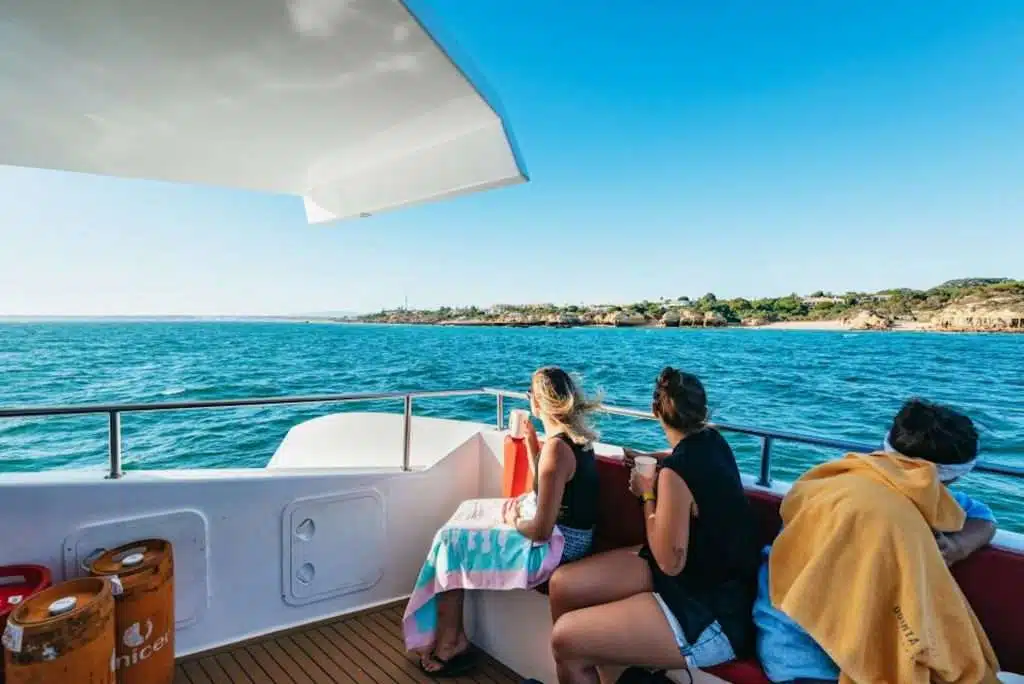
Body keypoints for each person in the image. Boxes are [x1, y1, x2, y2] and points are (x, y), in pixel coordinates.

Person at [752, 398, 999, 684]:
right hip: (807, 662)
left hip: (778, 640)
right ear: (951, 477)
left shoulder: (842, 475)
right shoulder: (891, 517)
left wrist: (957, 547)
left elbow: (982, 517)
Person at [547, 368, 759, 684]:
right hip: (702, 581)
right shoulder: (713, 441)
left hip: (709, 617)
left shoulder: (676, 474)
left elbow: (668, 561)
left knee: (565, 640)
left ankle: (584, 657)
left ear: (654, 411)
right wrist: (652, 459)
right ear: (701, 412)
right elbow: (680, 456)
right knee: (562, 585)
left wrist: (646, 492)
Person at [414, 366, 601, 676]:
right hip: (568, 534)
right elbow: (547, 490)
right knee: (466, 514)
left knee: (450, 542)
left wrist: (515, 520)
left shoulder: (557, 450)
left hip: (560, 547)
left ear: (537, 402)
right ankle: (451, 635)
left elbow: (540, 530)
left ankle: (450, 642)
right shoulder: (575, 441)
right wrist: (531, 447)